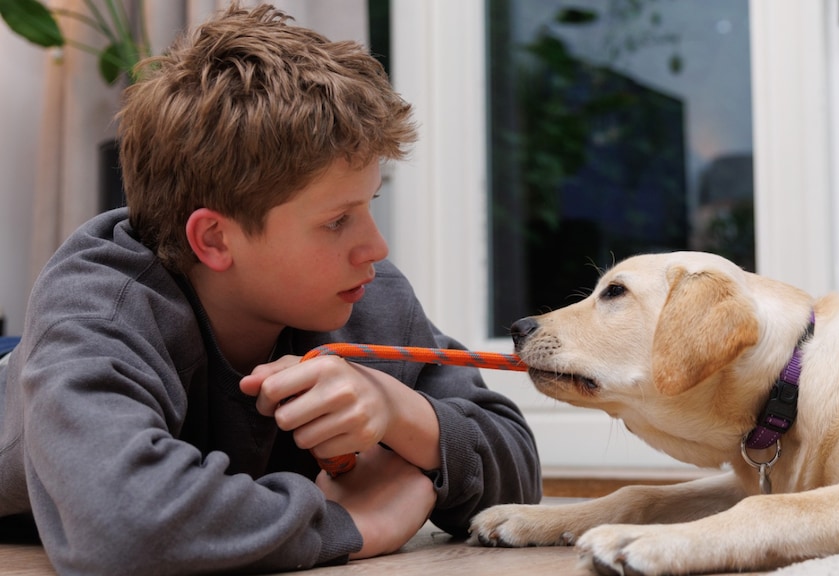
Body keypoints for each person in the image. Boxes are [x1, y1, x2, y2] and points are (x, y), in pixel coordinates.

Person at [0, 3, 542, 573]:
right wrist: (353, 525)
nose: (376, 247)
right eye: (337, 220)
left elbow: (518, 473)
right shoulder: (100, 307)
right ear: (214, 239)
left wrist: (402, 412)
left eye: (369, 204)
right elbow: (122, 523)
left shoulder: (369, 295)